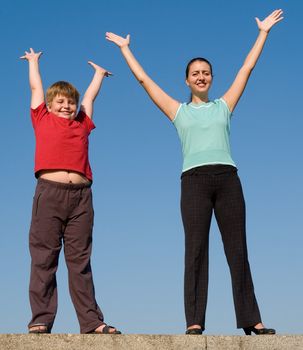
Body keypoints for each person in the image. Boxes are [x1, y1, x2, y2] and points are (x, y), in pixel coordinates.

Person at [106, 9, 283, 335]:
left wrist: (263, 33)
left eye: (206, 72)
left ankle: (251, 320)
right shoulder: (179, 111)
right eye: (195, 73)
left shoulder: (224, 106)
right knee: (196, 251)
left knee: (237, 250)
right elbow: (145, 80)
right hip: (194, 182)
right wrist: (125, 49)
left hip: (228, 180)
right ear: (187, 80)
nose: (201, 76)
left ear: (212, 78)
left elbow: (246, 69)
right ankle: (194, 321)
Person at [21, 48, 121, 334]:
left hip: (81, 198)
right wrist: (33, 62)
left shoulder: (82, 123)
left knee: (80, 262)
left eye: (70, 102)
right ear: (50, 105)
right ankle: (41, 318)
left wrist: (98, 75)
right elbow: (36, 87)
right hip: (49, 194)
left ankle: (91, 322)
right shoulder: (41, 117)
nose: (67, 106)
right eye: (61, 102)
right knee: (44, 258)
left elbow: (89, 98)